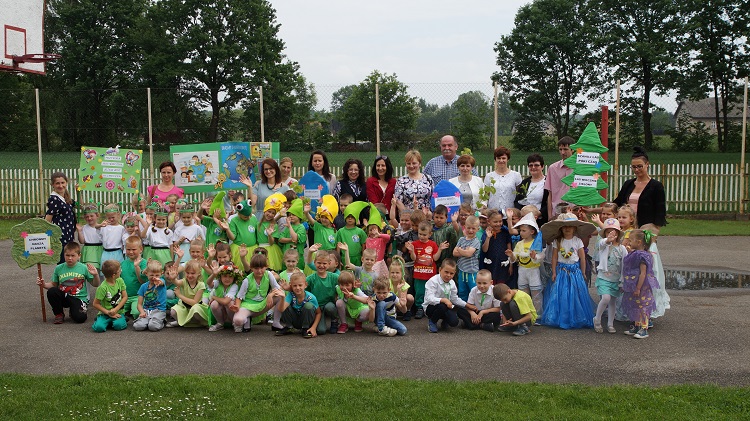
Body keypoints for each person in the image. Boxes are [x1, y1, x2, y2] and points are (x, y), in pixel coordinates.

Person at [538, 213, 597, 329]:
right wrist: (554, 272)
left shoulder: (577, 241)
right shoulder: (557, 241)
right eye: (564, 226)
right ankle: (562, 317)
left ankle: (576, 316)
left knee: (575, 294)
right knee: (561, 293)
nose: (567, 228)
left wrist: (583, 272)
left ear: (575, 228)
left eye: (570, 226)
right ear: (561, 228)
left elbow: (582, 258)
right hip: (562, 270)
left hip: (575, 271)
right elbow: (554, 257)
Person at [37, 242, 101, 324]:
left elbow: (95, 284)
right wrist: (44, 284)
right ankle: (59, 314)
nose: (70, 258)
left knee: (80, 318)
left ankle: (73, 311)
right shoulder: (59, 268)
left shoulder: (84, 268)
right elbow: (53, 285)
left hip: (79, 298)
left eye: (73, 255)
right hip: (64, 296)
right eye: (67, 255)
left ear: (79, 256)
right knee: (52, 291)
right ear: (64, 255)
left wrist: (95, 275)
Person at [613, 147, 667, 234]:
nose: (636, 170)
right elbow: (616, 203)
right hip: (627, 228)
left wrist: (655, 229)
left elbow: (660, 210)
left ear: (647, 164)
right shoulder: (628, 184)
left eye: (639, 166)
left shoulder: (656, 186)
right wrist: (594, 210)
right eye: (634, 167)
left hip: (645, 228)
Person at [621, 229, 660, 339]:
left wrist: (638, 288)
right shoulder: (636, 253)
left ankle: (644, 328)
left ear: (638, 242)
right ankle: (636, 325)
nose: (629, 242)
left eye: (631, 240)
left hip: (641, 286)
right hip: (633, 284)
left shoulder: (643, 256)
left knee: (642, 306)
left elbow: (643, 273)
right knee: (635, 304)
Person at [505, 213, 544, 314]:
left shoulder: (536, 243)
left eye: (524, 230)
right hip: (522, 270)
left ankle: (537, 314)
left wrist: (535, 257)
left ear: (532, 232)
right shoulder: (519, 244)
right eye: (520, 230)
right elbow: (515, 259)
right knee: (523, 293)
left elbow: (540, 256)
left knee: (536, 293)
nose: (521, 233)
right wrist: (511, 255)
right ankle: (526, 312)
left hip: (533, 271)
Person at [593, 218, 627, 334]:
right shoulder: (604, 245)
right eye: (608, 232)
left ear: (618, 234)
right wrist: (608, 240)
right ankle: (597, 319)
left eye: (614, 232)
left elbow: (624, 265)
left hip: (615, 279)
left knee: (613, 302)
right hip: (604, 278)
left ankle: (610, 324)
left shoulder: (622, 249)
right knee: (606, 298)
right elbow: (602, 243)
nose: (611, 234)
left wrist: (622, 281)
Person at [423, 259, 470, 333]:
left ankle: (445, 320)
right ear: (440, 270)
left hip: (446, 307)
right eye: (446, 272)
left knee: (454, 322)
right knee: (442, 306)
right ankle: (432, 321)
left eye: (451, 273)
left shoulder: (452, 283)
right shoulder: (432, 281)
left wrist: (467, 305)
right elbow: (429, 298)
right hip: (431, 307)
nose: (448, 275)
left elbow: (454, 299)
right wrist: (443, 300)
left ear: (454, 273)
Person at [391, 150, 434, 221]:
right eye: (408, 163)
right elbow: (398, 202)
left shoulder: (428, 178)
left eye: (414, 163)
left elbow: (433, 196)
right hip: (409, 219)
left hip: (427, 217)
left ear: (419, 164)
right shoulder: (401, 181)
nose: (411, 166)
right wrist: (410, 217)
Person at [276, 272, 321, 338]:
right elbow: (281, 309)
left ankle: (305, 328)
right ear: (291, 285)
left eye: (300, 285)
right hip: (294, 320)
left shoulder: (311, 297)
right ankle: (289, 327)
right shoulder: (291, 295)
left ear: (305, 285)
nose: (297, 288)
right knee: (286, 306)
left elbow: (318, 313)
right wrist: (283, 298)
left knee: (309, 306)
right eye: (294, 286)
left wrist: (313, 327)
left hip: (306, 320)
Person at [167, 259, 209, 327]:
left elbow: (194, 302)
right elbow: (177, 282)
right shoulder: (184, 281)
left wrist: (180, 295)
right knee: (173, 311)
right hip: (185, 307)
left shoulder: (201, 285)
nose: (189, 275)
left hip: (196, 307)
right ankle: (182, 321)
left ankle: (198, 323)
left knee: (195, 310)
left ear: (199, 273)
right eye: (187, 273)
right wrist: (173, 278)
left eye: (192, 273)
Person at [306, 251, 340, 335]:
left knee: (330, 307)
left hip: (329, 305)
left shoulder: (334, 277)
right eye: (319, 263)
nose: (321, 265)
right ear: (314, 262)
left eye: (324, 263)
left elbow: (344, 283)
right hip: (317, 307)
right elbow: (303, 289)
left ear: (329, 264)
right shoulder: (310, 278)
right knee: (321, 331)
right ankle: (311, 322)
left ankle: (334, 320)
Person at [45, 172, 76, 264]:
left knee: (70, 263)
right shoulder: (55, 199)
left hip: (68, 235)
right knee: (64, 262)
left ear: (66, 183)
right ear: (52, 185)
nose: (60, 186)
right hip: (61, 237)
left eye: (63, 183)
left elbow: (80, 205)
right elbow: (48, 219)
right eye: (57, 183)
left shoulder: (65, 198)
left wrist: (79, 191)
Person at [133, 259, 171, 331]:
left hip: (159, 310)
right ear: (146, 273)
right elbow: (139, 304)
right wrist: (142, 312)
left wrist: (159, 281)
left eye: (157, 275)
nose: (154, 277)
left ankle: (161, 321)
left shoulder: (161, 282)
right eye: (151, 275)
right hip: (146, 310)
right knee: (138, 326)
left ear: (161, 274)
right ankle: (149, 321)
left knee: (152, 327)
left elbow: (161, 282)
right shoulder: (143, 286)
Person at [91, 260, 128, 333]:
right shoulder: (102, 288)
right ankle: (102, 320)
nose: (121, 271)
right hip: (105, 313)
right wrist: (108, 313)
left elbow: (125, 297)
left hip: (118, 312)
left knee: (118, 326)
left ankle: (120, 319)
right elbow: (95, 304)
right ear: (113, 275)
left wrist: (115, 309)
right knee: (99, 328)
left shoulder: (120, 281)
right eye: (119, 270)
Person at [206, 262, 243, 331]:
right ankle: (220, 323)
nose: (227, 279)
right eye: (225, 276)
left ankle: (234, 323)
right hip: (221, 309)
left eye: (230, 276)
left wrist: (213, 297)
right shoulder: (218, 282)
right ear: (220, 276)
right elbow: (209, 283)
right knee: (214, 304)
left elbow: (225, 301)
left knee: (230, 303)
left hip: (230, 311)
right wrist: (214, 274)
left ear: (234, 277)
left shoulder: (234, 286)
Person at [484, 146, 522, 214]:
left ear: (508, 159)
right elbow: (486, 196)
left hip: (510, 213)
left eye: (503, 158)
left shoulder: (516, 175)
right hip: (493, 214)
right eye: (499, 158)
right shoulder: (489, 176)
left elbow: (519, 195)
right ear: (495, 159)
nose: (501, 160)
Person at [544, 137, 574, 220]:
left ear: (572, 150)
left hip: (574, 212)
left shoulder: (580, 169)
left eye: (565, 149)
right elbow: (550, 194)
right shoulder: (553, 168)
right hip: (557, 212)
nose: (562, 152)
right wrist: (550, 216)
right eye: (560, 149)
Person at [453, 215, 481, 301]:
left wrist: (460, 249)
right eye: (468, 228)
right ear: (464, 227)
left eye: (473, 228)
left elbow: (468, 254)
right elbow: (454, 253)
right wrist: (464, 251)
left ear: (478, 229)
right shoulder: (461, 239)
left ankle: (474, 306)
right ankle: (463, 307)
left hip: (472, 272)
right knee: (462, 291)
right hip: (462, 271)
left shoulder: (476, 241)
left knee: (473, 291)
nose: (470, 230)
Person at [514, 154, 549, 224]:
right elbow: (517, 201)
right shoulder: (524, 183)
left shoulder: (548, 182)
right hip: (525, 219)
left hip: (541, 219)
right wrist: (523, 213)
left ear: (542, 166)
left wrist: (539, 213)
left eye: (536, 165)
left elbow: (550, 202)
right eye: (531, 165)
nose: (533, 167)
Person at [121, 235, 148, 319]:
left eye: (133, 249)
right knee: (115, 311)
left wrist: (138, 268)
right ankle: (128, 310)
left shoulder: (144, 263)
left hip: (138, 296)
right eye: (128, 249)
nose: (131, 252)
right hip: (125, 296)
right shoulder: (123, 263)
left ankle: (132, 310)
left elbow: (143, 280)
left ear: (141, 249)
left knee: (137, 313)